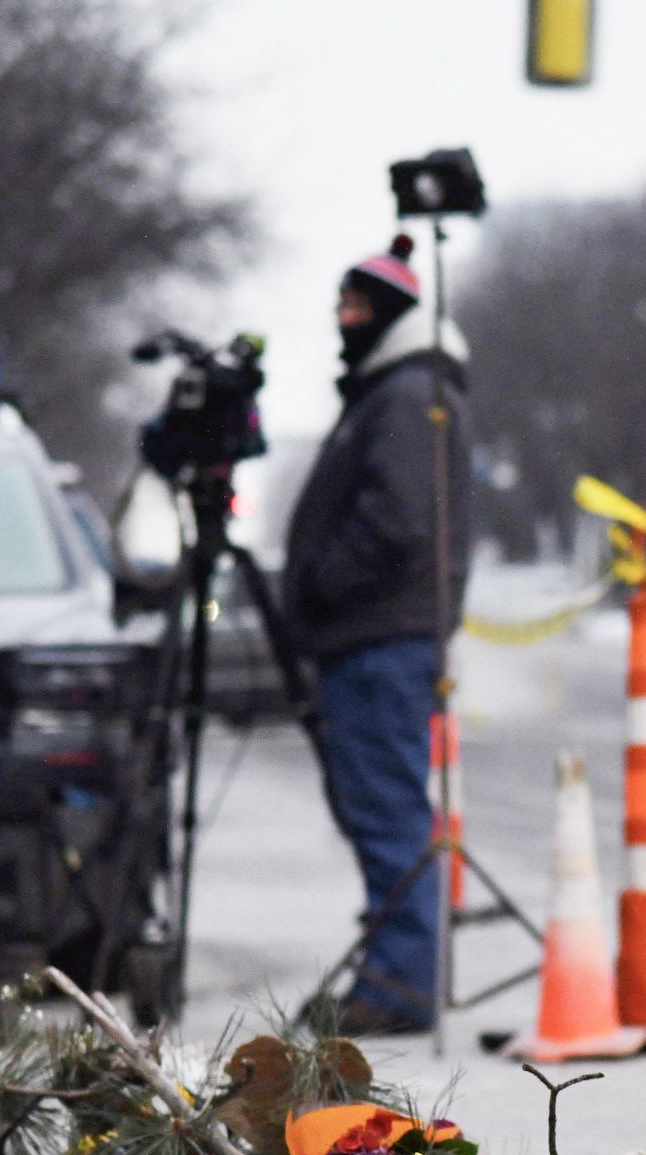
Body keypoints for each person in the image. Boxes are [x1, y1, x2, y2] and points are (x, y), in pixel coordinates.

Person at [282, 236, 473, 1037]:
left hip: (379, 639)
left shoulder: (403, 397)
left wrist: (322, 581)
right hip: (375, 638)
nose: (342, 321)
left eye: (356, 308)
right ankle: (392, 970)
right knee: (380, 808)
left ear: (390, 317)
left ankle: (398, 983)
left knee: (388, 808)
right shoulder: (397, 393)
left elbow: (397, 518)